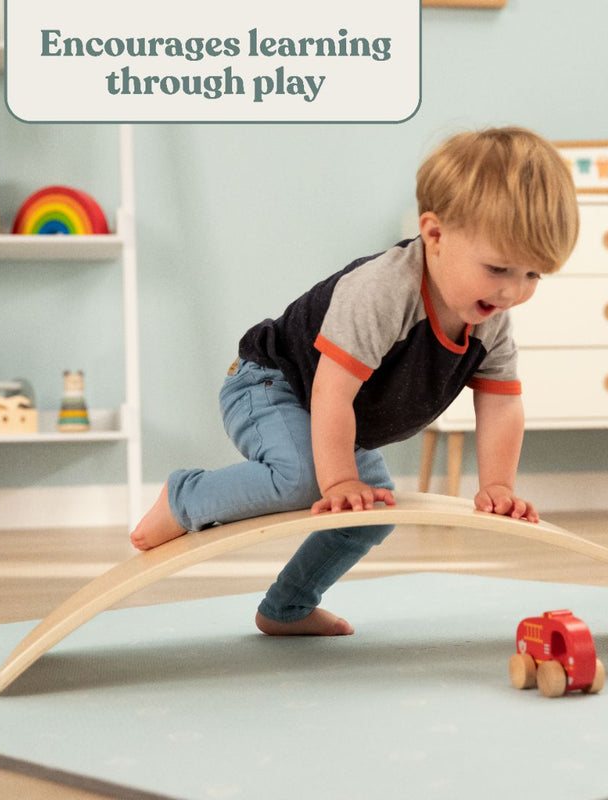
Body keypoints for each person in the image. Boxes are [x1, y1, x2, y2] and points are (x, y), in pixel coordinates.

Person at [129, 126, 579, 637]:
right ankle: (184, 496)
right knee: (306, 480)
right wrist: (340, 480)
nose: (513, 291)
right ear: (434, 234)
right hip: (274, 383)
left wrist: (497, 486)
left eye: (533, 275)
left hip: (336, 414)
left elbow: (501, 405)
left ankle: (287, 608)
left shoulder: (489, 316)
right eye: (499, 268)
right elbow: (332, 389)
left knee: (371, 513)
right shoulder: (383, 292)